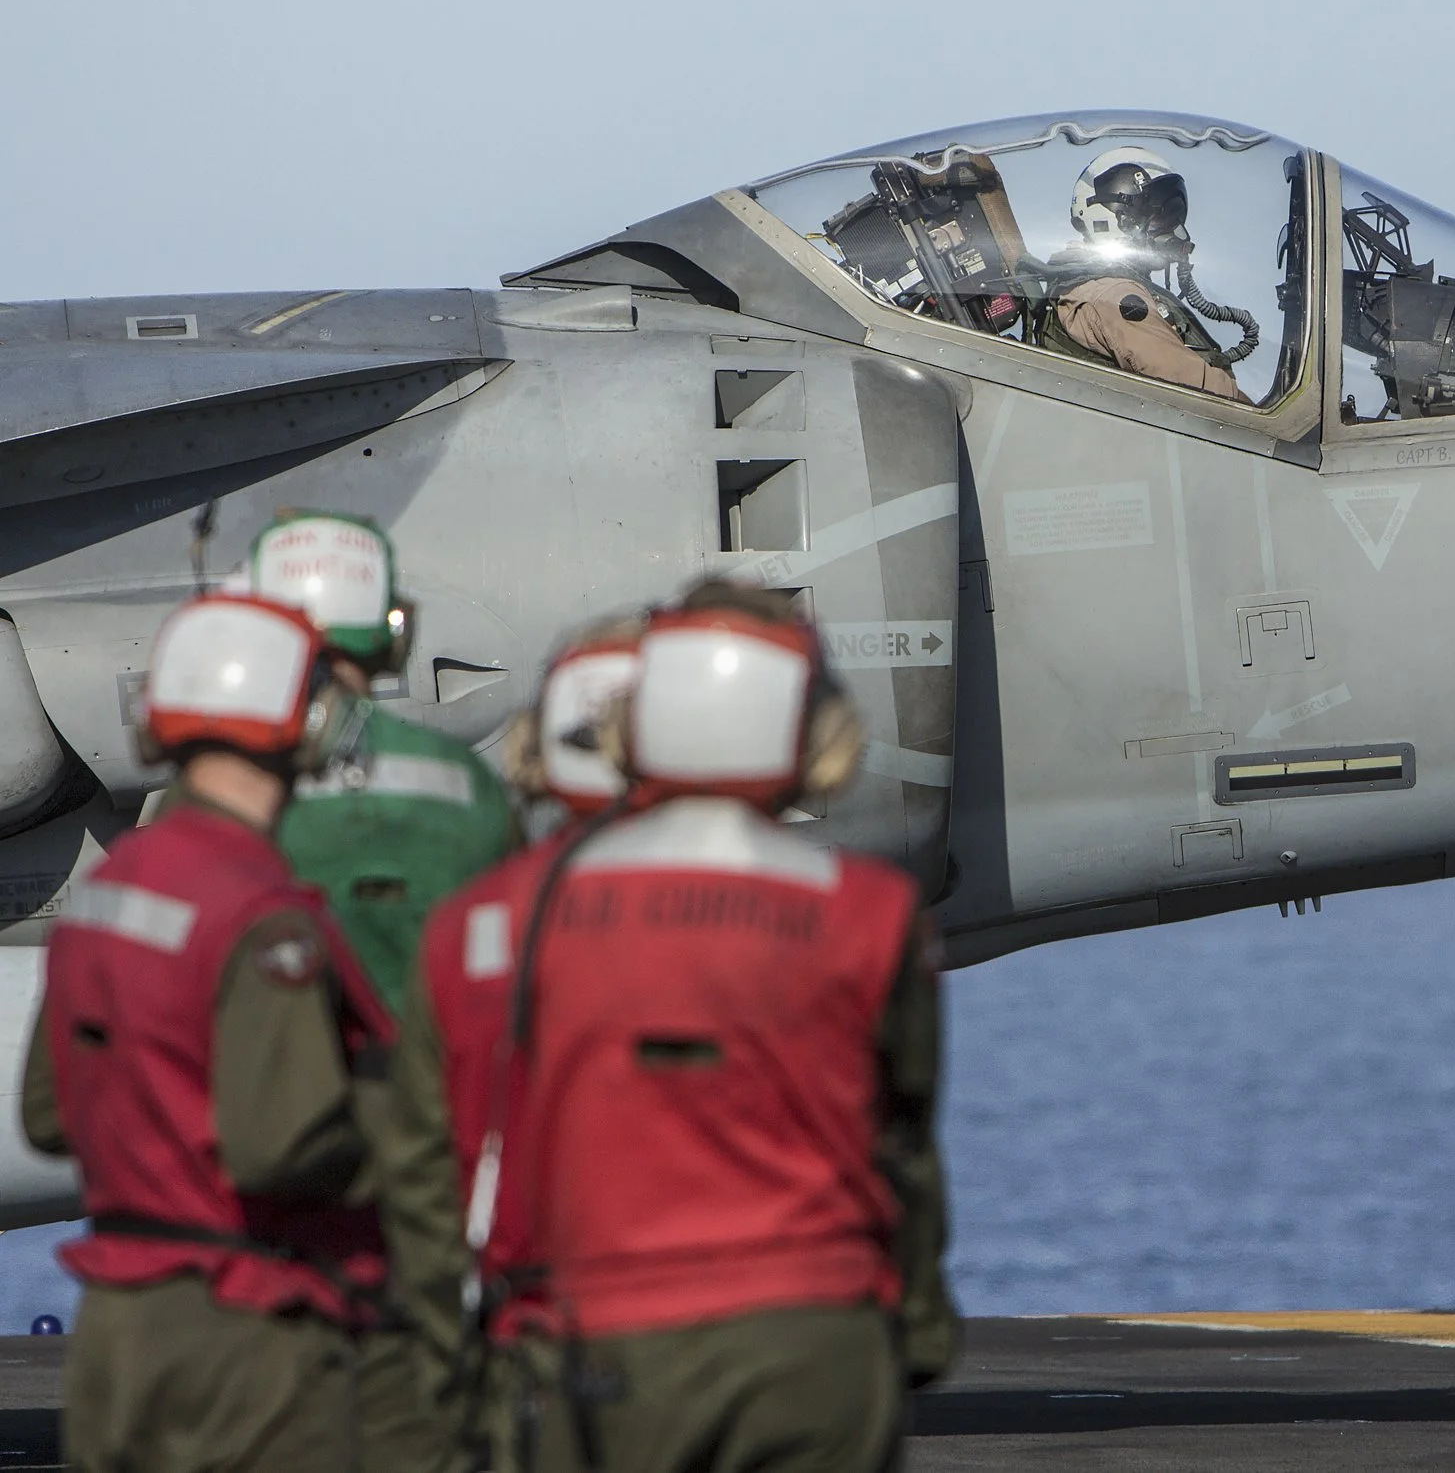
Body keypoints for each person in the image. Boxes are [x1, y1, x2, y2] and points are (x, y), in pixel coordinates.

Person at [386, 585, 958, 1473]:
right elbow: (902, 1147)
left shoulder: (498, 924)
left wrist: (454, 1377)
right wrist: (916, 1328)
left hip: (592, 1351)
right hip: (812, 1346)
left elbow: (430, 1170)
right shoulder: (872, 917)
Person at [20, 592, 395, 1472]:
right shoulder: (264, 916)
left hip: (117, 1334)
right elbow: (281, 1147)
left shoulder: (105, 896)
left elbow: (48, 1116)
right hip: (249, 1333)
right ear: (298, 721)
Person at [247, 509, 520, 1472]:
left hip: (273, 1179)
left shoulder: (228, 799)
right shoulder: (463, 787)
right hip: (428, 1176)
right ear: (394, 632)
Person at [376, 619, 643, 1470]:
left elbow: (425, 1161)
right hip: (721, 1335)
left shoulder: (466, 930)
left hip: (529, 1338)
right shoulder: (797, 919)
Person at [1035, 146, 1253, 401]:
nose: (1179, 233)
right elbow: (1198, 387)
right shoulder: (1113, 296)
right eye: (1162, 217)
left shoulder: (1095, 286)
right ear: (1119, 219)